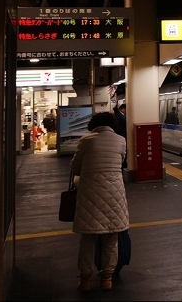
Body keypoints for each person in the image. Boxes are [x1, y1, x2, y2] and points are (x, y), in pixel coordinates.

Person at [70, 112, 129, 292]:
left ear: (93, 124)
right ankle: (107, 279)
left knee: (87, 238)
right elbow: (121, 162)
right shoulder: (121, 141)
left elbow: (76, 168)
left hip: (90, 194)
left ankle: (85, 280)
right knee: (111, 238)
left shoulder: (86, 140)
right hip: (114, 194)